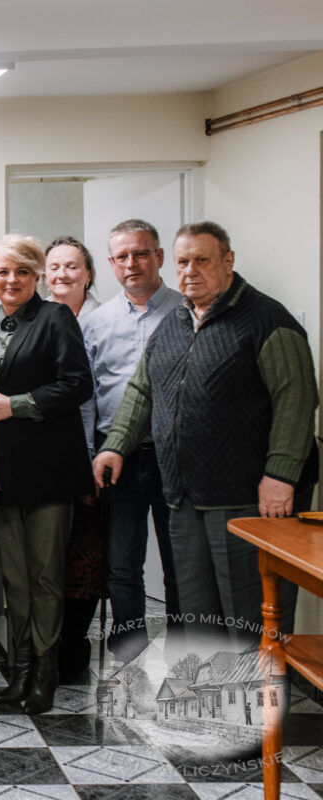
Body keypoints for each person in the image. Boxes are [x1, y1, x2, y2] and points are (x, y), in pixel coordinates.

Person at [94, 221, 317, 647]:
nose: (190, 271)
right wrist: (115, 446)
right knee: (198, 616)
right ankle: (204, 690)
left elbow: (297, 400)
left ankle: (258, 691)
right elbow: (142, 391)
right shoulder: (174, 323)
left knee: (249, 617)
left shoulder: (268, 321)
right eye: (183, 262)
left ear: (228, 262)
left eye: (202, 260)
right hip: (183, 497)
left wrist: (281, 475)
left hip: (248, 500)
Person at [0, 233, 93, 715]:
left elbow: (78, 384)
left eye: (22, 271)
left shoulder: (56, 318)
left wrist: (17, 405)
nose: (12, 279)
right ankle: (18, 671)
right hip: (1, 471)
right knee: (15, 579)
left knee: (45, 576)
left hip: (49, 469)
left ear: (37, 275)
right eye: (3, 271)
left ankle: (45, 673)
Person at [81, 219, 182, 662]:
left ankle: (184, 652)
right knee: (122, 563)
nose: (132, 263)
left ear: (159, 257)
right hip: (116, 455)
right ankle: (129, 648)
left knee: (179, 563)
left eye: (140, 253)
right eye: (122, 256)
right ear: (110, 264)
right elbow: (87, 396)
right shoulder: (96, 322)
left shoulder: (185, 312)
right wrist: (91, 454)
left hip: (172, 456)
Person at [43, 235, 105, 680]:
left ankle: (74, 643)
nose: (62, 274)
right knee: (49, 557)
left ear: (88, 274)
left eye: (71, 266)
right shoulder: (36, 318)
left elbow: (93, 396)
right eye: (55, 267)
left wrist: (89, 462)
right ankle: (46, 645)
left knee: (87, 555)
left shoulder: (104, 320)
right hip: (47, 456)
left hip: (96, 456)